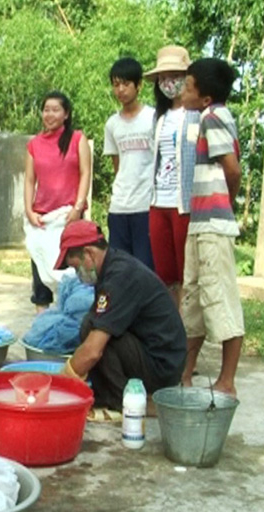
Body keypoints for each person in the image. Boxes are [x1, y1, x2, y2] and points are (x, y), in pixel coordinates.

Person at [55, 221, 186, 419]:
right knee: (90, 325)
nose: (78, 274)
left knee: (97, 337)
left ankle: (123, 401)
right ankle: (111, 394)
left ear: (89, 253)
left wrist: (62, 383)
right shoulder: (112, 267)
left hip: (162, 366)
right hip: (152, 351)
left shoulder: (120, 277)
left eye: (76, 267)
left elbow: (92, 351)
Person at [179, 58, 243, 397]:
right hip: (199, 222)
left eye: (188, 86)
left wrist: (226, 203)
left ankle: (227, 381)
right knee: (193, 299)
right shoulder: (208, 116)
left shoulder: (214, 117)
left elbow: (232, 169)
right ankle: (184, 374)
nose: (183, 91)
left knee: (219, 298)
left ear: (205, 98)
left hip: (213, 225)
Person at [24, 91, 91, 313]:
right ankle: (42, 326)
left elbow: (85, 173)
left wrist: (78, 208)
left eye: (55, 110)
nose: (49, 114)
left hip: (70, 218)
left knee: (74, 275)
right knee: (41, 279)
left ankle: (75, 321)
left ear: (66, 114)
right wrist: (29, 211)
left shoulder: (77, 139)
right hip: (42, 220)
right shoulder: (34, 144)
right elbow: (29, 180)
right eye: (46, 109)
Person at [144, 46, 200, 308]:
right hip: (159, 202)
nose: (169, 82)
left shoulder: (197, 115)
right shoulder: (160, 117)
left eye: (175, 76)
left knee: (186, 271)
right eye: (163, 77)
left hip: (185, 204)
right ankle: (172, 323)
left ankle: (188, 328)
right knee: (164, 274)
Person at [103, 57, 155, 270]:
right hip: (119, 206)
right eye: (116, 85)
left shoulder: (153, 117)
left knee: (145, 268)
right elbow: (118, 165)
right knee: (120, 268)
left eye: (126, 84)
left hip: (147, 205)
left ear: (138, 85)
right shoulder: (112, 124)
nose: (121, 90)